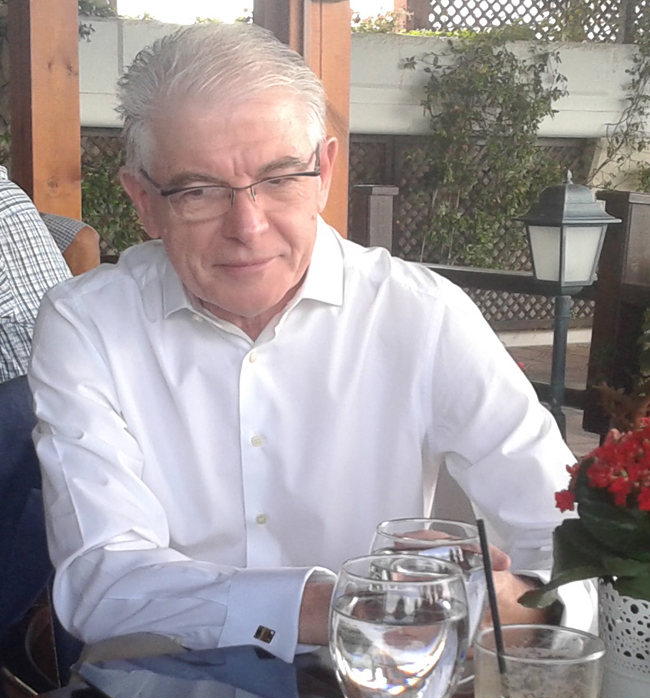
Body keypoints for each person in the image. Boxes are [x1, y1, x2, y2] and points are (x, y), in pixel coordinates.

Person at [29, 22, 595, 664]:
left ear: (324, 172)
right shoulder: (88, 325)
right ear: (144, 202)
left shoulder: (423, 314)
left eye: (279, 179)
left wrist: (525, 603)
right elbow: (105, 579)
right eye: (199, 190)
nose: (247, 226)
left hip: (388, 691)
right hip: (165, 694)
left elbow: (568, 530)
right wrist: (352, 605)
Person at [0, 169, 72, 382]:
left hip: (24, 379)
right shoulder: (8, 194)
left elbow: (82, 240)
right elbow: (81, 237)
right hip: (58, 367)